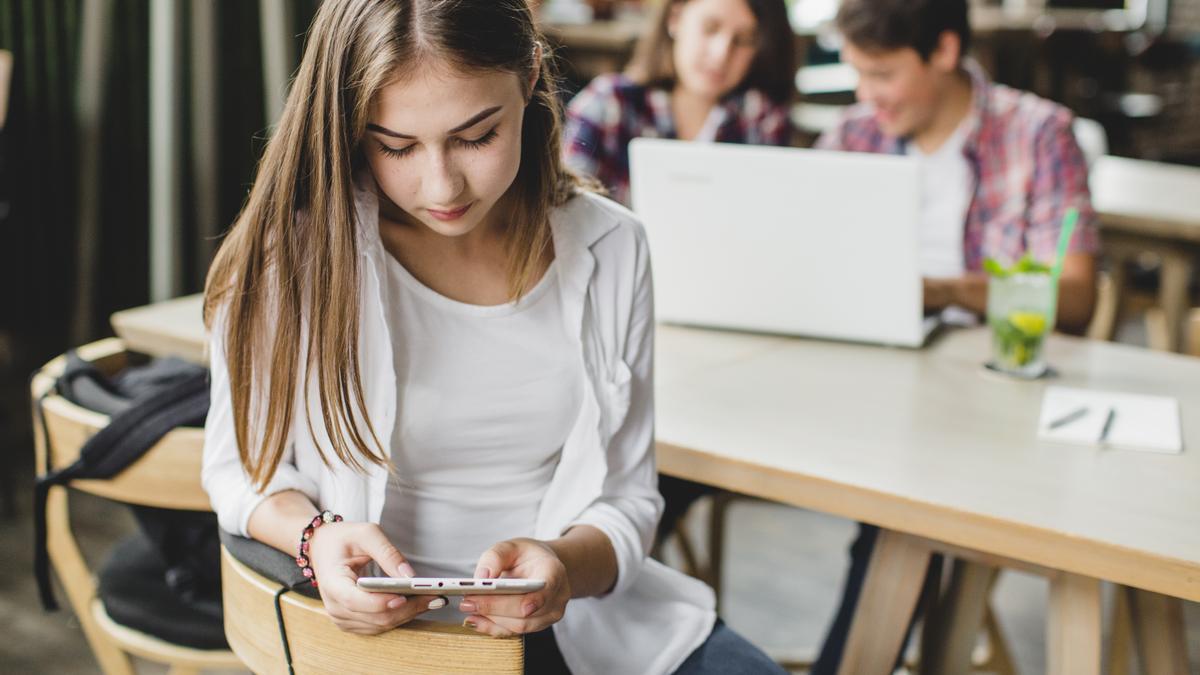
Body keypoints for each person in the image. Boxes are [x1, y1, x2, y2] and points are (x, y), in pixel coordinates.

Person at [200, 1, 785, 673]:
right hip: (382, 646)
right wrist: (314, 538)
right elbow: (239, 470)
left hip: (584, 623)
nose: (441, 184)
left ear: (532, 75)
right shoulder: (292, 260)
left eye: (476, 136)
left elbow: (628, 500)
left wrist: (564, 564)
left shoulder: (614, 247)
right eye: (394, 146)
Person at [810, 0, 1100, 671]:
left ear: (942, 51)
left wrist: (941, 291)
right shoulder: (853, 134)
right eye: (857, 74)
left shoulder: (1039, 133)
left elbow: (1077, 298)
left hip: (982, 397)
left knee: (899, 520)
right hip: (859, 379)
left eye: (881, 74)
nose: (866, 95)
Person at [562, 0, 796, 207]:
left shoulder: (763, 120)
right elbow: (564, 211)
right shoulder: (609, 104)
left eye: (744, 40)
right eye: (710, 28)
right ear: (675, 19)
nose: (721, 54)